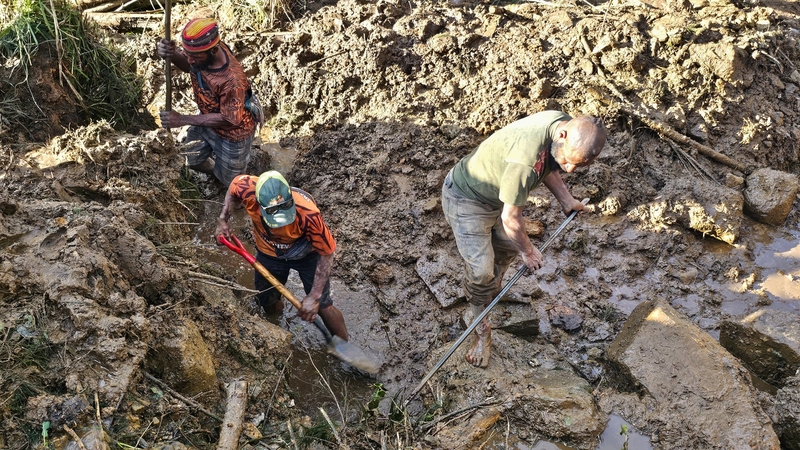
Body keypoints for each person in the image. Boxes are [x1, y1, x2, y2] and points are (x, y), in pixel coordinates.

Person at [441, 111, 606, 367]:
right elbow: (511, 219)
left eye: (579, 165)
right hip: (466, 198)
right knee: (481, 270)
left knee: (507, 247)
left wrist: (566, 200)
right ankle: (480, 329)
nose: (570, 169)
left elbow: (547, 165)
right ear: (563, 135)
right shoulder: (525, 161)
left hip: (497, 194)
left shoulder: (560, 128)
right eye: (569, 161)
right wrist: (528, 252)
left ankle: (488, 295)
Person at [216, 171, 349, 340]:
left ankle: (344, 345)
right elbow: (232, 189)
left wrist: (314, 297)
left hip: (307, 254)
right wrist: (223, 220)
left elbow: (327, 253)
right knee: (266, 300)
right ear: (258, 202)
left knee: (323, 306)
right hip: (269, 252)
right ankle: (276, 328)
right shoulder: (246, 188)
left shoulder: (308, 214)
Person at [157, 17, 262, 187]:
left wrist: (182, 119)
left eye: (194, 57)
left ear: (213, 51)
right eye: (187, 54)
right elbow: (188, 66)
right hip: (207, 120)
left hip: (233, 134)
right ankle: (216, 172)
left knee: (233, 184)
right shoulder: (204, 55)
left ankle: (231, 191)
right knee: (189, 157)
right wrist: (171, 54)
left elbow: (230, 119)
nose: (190, 60)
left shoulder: (232, 81)